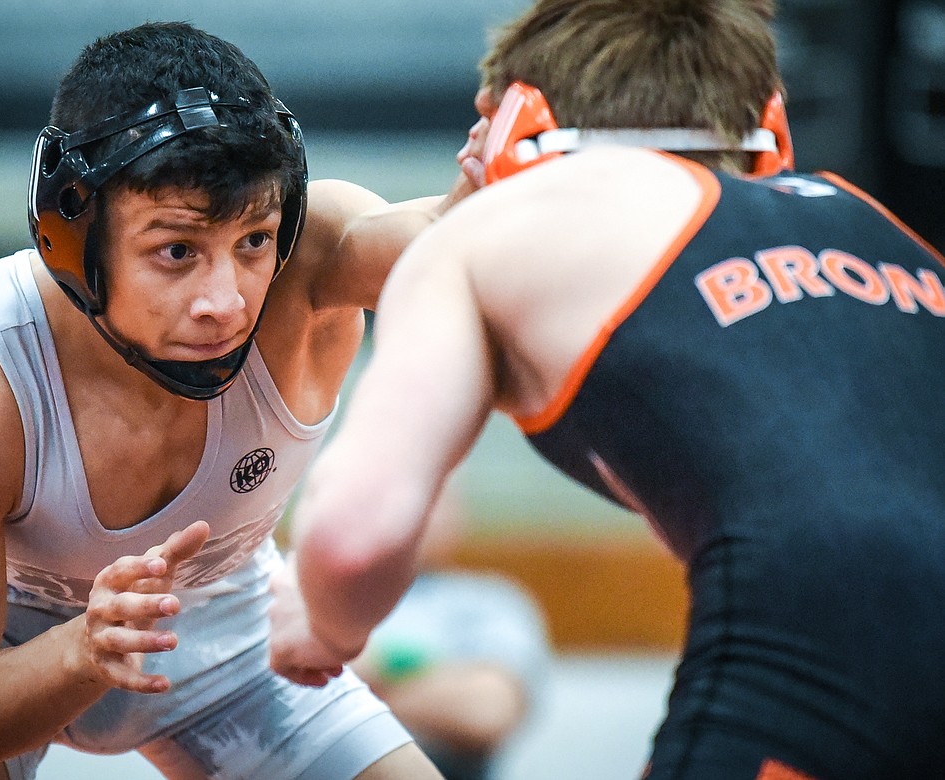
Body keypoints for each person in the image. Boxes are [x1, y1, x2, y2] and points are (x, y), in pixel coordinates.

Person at [268, 1, 945, 778]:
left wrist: (323, 628)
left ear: (512, 121)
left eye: (477, 130)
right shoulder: (888, 233)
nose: (464, 157)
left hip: (819, 632)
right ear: (771, 133)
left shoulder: (502, 225)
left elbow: (354, 538)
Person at [0, 20, 477, 780]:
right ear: (73, 238)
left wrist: (508, 171)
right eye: (177, 251)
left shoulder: (316, 263)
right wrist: (82, 648)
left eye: (254, 242)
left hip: (223, 632)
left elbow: (460, 242)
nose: (226, 303)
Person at [342, 486, 552, 780]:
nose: (413, 512)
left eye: (436, 493)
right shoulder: (296, 589)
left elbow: (486, 712)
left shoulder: (489, 602)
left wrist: (359, 669)